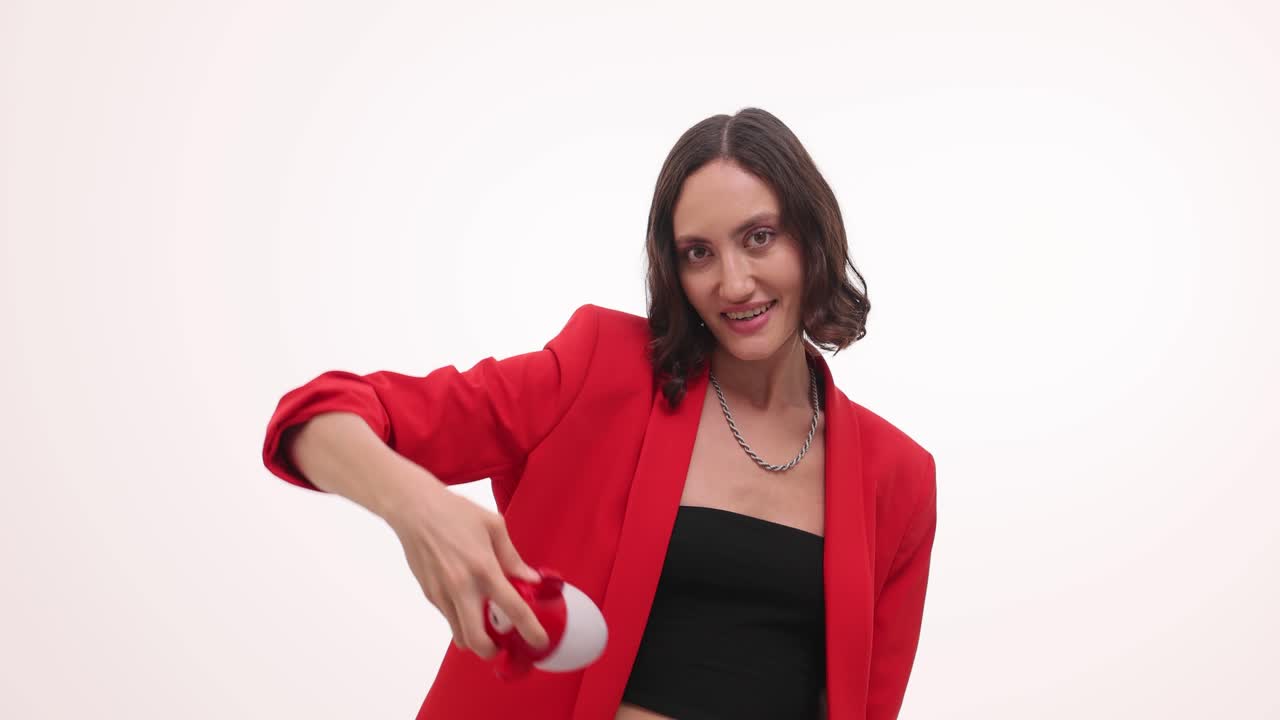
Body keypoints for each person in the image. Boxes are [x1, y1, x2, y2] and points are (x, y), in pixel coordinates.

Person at [261, 107, 937, 720]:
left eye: (759, 238)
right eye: (698, 253)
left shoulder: (898, 479)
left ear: (812, 238)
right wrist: (421, 510)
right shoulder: (599, 372)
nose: (733, 282)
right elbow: (317, 417)